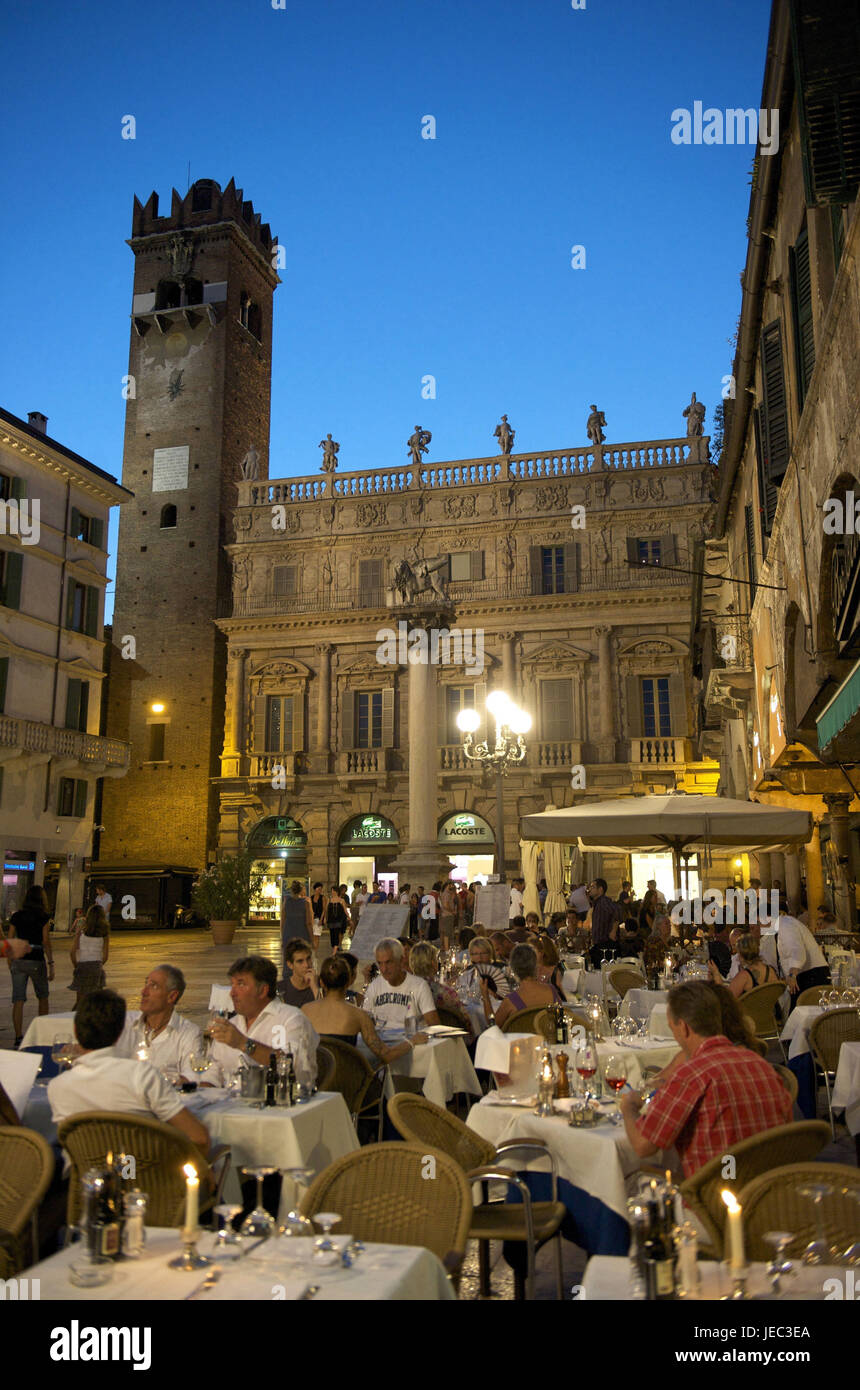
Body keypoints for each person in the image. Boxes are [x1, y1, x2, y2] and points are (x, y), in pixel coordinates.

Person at [618, 981, 793, 1178]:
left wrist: (629, 1107)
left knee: (625, 1180)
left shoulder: (691, 1075)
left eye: (671, 1028)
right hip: (770, 1190)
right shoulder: (763, 1066)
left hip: (714, 1194)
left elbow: (643, 1146)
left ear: (683, 1028)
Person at [48, 989, 210, 1151]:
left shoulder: (57, 1087)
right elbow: (199, 1137)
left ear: (75, 1030)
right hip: (139, 1171)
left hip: (83, 1172)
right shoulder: (142, 1077)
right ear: (119, 1033)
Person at [208, 955, 319, 1088]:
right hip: (230, 1104)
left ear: (262, 990)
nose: (232, 993)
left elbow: (291, 1067)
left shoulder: (291, 1019)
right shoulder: (233, 1024)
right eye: (232, 984)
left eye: (241, 984)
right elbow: (211, 1073)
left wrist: (243, 1043)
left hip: (281, 1103)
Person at [303, 956, 427, 1060]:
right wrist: (412, 1041)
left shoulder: (305, 1010)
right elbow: (386, 1055)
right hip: (345, 1082)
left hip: (316, 1081)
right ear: (348, 982)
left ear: (322, 983)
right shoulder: (359, 1015)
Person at [117, 964, 203, 1076]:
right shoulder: (124, 1022)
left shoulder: (188, 1033)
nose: (144, 992)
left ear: (172, 996)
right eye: (145, 984)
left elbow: (191, 1078)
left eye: (153, 986)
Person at [8, 885, 54, 1046]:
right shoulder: (43, 917)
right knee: (43, 996)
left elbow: (10, 939)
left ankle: (18, 1036)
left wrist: (10, 961)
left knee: (18, 1000)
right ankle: (41, 1034)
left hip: (18, 960)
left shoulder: (17, 916)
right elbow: (46, 941)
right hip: (36, 959)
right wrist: (51, 962)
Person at [361, 938, 440, 1030]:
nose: (384, 969)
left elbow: (434, 1025)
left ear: (401, 960)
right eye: (380, 963)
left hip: (412, 1040)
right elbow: (364, 1020)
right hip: (382, 1040)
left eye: (388, 962)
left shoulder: (419, 986)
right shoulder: (375, 986)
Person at [490, 943, 564, 1029]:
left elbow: (492, 1029)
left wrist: (486, 998)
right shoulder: (552, 992)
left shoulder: (510, 1001)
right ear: (536, 965)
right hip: (548, 1040)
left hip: (522, 1041)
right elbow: (560, 1022)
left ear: (513, 969)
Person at [775, 898, 831, 1007]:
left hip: (811, 975)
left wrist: (792, 975)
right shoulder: (782, 926)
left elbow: (797, 952)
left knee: (803, 1015)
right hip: (807, 974)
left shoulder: (786, 924)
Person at [408, 941, 471, 1029]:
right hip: (447, 1034)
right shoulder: (444, 992)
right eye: (436, 959)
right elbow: (465, 1017)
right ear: (433, 963)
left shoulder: (406, 988)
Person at [718, 933, 779, 1000]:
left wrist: (716, 976)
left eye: (738, 953)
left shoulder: (744, 976)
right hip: (768, 1009)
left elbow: (728, 999)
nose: (737, 958)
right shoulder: (771, 970)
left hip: (749, 1010)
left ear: (742, 954)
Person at [70, 904, 110, 1005]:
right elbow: (105, 956)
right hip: (96, 965)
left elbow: (72, 952)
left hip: (82, 965)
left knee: (80, 1001)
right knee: (96, 1000)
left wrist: (76, 965)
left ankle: (76, 1019)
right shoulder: (104, 933)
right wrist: (99, 964)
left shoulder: (81, 931)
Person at [458, 935, 513, 1001]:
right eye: (475, 954)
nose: (480, 957)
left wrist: (486, 991)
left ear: (490, 954)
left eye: (483, 953)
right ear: (471, 956)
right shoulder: (469, 970)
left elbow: (508, 995)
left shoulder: (501, 968)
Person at [588, 877, 620, 967]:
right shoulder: (597, 903)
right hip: (600, 944)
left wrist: (613, 931)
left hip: (606, 944)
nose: (590, 889)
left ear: (600, 889)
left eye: (593, 887)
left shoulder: (603, 901)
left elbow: (616, 913)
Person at [280, 938, 319, 1008]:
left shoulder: (321, 984)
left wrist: (314, 987)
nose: (306, 965)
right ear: (290, 965)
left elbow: (326, 1014)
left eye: (308, 959)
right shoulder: (282, 990)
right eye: (300, 961)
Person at [281, 880, 313, 960]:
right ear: (301, 890)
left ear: (291, 890)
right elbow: (309, 923)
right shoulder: (306, 903)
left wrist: (282, 936)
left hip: (288, 935)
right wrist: (312, 939)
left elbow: (282, 922)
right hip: (302, 935)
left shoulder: (286, 902)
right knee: (302, 959)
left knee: (289, 959)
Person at [323, 884, 351, 951]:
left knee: (337, 933)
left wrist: (349, 917)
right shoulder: (329, 900)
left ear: (336, 891)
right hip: (331, 920)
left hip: (338, 920)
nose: (332, 892)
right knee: (332, 934)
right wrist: (324, 918)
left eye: (333, 890)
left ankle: (335, 948)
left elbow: (345, 910)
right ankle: (334, 947)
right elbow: (326, 910)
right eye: (332, 891)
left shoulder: (341, 900)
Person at [438, 880, 459, 950]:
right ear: (449, 885)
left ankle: (443, 946)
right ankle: (447, 949)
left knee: (443, 932)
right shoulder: (447, 894)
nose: (453, 886)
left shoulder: (443, 893)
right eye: (452, 885)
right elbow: (445, 905)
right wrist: (452, 911)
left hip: (444, 915)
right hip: (448, 915)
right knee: (447, 933)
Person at [309, 882, 327, 950]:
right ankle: (313, 949)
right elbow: (310, 909)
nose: (320, 890)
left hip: (319, 918)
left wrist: (321, 919)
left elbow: (324, 909)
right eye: (319, 889)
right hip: (312, 919)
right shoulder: (311, 897)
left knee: (317, 935)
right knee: (312, 936)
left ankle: (315, 950)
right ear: (315, 889)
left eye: (321, 889)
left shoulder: (323, 898)